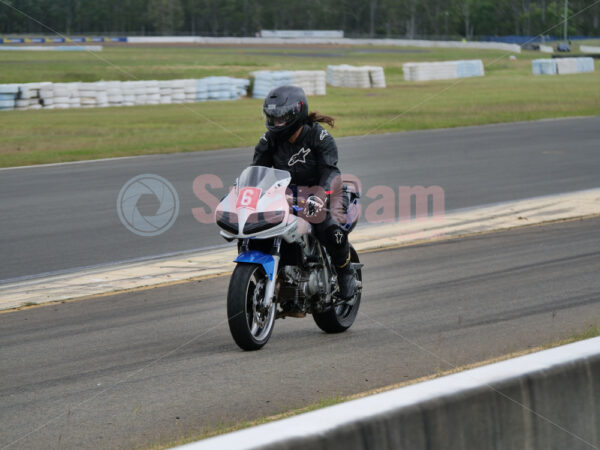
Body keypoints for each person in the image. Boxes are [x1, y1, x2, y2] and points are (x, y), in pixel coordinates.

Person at [252, 85, 356, 300]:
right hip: (288, 196)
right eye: (272, 117)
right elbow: (256, 173)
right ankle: (271, 274)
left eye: (280, 118)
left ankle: (345, 271)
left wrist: (318, 196)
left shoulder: (319, 137)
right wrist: (246, 194)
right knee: (256, 225)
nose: (275, 123)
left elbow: (330, 171)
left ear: (296, 113)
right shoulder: (269, 140)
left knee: (330, 228)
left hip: (327, 191)